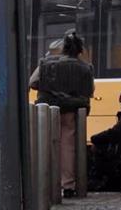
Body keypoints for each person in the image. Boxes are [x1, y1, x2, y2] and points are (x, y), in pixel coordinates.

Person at [29, 31, 95, 197]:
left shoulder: (46, 63)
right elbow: (90, 90)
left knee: (45, 144)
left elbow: (33, 82)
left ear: (63, 48)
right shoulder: (85, 67)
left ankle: (45, 182)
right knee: (68, 146)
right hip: (71, 110)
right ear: (79, 50)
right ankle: (68, 184)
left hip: (47, 108)